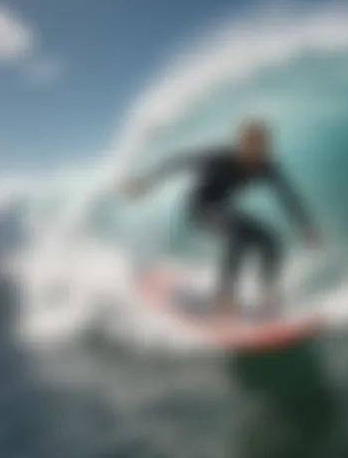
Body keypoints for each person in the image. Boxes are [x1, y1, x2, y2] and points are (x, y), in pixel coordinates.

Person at [125, 119, 321, 319]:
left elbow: (287, 195)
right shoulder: (220, 158)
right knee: (238, 237)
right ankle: (224, 298)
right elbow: (177, 162)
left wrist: (305, 226)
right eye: (250, 146)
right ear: (241, 145)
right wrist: (145, 183)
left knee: (270, 242)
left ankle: (268, 296)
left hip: (224, 211)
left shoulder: (266, 166)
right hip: (200, 208)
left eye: (260, 147)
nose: (254, 153)